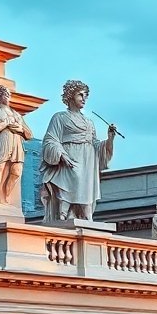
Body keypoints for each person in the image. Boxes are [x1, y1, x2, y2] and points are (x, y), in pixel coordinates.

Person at [40, 79, 116, 222]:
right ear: (70, 96)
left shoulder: (89, 122)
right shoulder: (60, 117)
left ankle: (87, 216)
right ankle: (64, 212)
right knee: (74, 179)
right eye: (80, 95)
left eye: (85, 95)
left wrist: (110, 138)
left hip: (88, 160)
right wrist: (61, 154)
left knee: (86, 185)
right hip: (70, 156)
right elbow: (50, 140)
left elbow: (96, 145)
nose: (84, 98)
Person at [0, 85, 32, 206]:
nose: (7, 96)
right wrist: (5, 123)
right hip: (2, 141)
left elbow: (29, 134)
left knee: (17, 171)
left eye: (9, 93)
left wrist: (21, 129)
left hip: (16, 143)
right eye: (4, 93)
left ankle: (5, 195)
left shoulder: (16, 114)